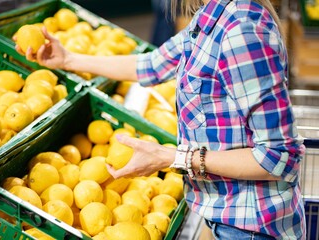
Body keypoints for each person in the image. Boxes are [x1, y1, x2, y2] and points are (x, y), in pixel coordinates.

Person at [16, 0, 307, 239]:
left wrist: (174, 157)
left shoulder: (241, 31)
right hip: (223, 214)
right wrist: (68, 60)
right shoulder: (212, 18)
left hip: (250, 228)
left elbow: (279, 156)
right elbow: (152, 65)